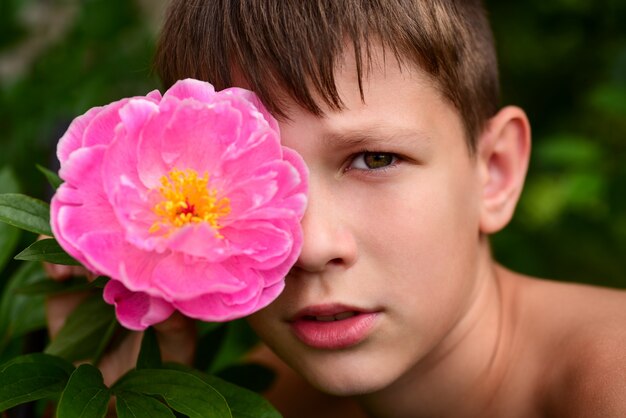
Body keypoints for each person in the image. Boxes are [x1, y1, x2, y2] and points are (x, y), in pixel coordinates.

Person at [47, 1, 626, 417]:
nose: (315, 245)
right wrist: (122, 394)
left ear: (494, 171)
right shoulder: (267, 399)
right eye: (263, 182)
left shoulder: (609, 379)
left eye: (375, 159)